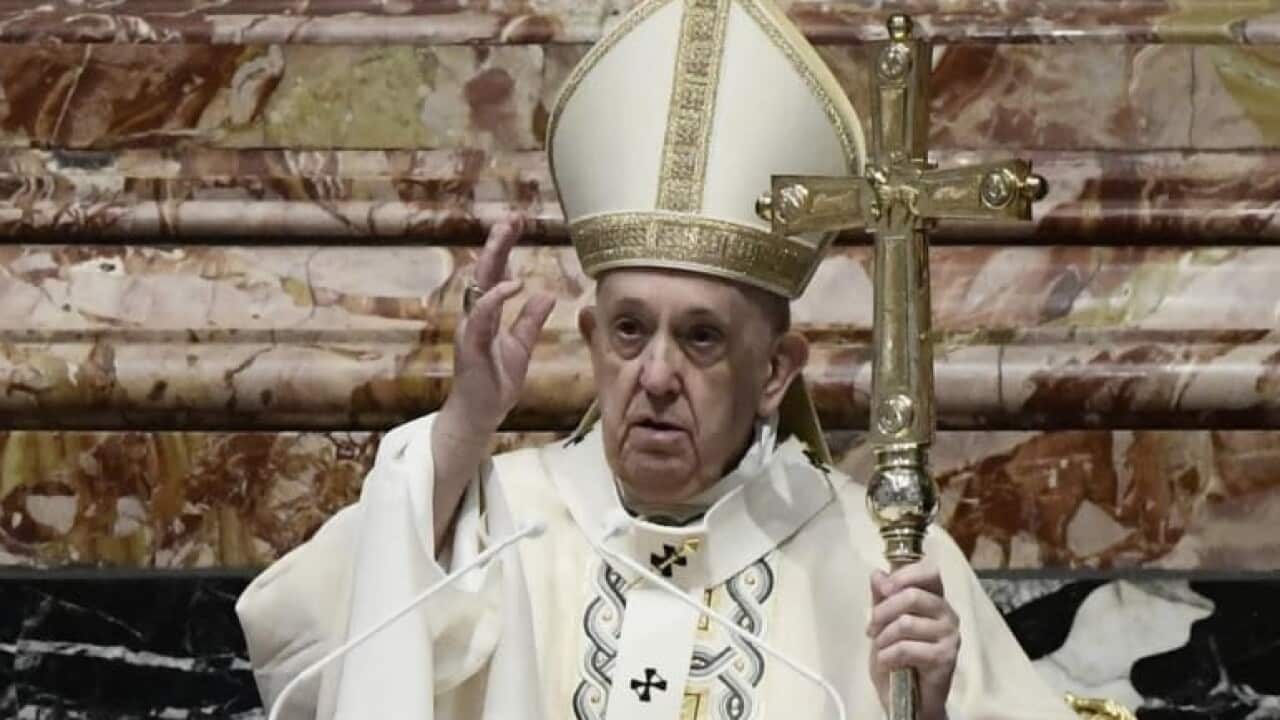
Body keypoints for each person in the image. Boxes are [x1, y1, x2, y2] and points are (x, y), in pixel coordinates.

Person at [236, 1, 1077, 719]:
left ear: (776, 372)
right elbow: (299, 644)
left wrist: (925, 712)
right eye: (630, 330)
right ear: (592, 338)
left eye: (702, 338)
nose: (657, 376)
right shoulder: (498, 522)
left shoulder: (878, 558)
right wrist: (465, 423)